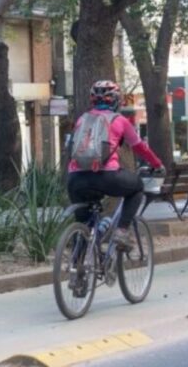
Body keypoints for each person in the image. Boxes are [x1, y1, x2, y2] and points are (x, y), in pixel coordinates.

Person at [67, 80, 164, 250]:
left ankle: (79, 267)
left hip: (76, 179)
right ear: (117, 100)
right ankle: (121, 231)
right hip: (106, 176)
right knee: (136, 188)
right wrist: (157, 164)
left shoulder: (82, 119)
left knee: (84, 224)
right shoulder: (119, 120)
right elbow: (139, 147)